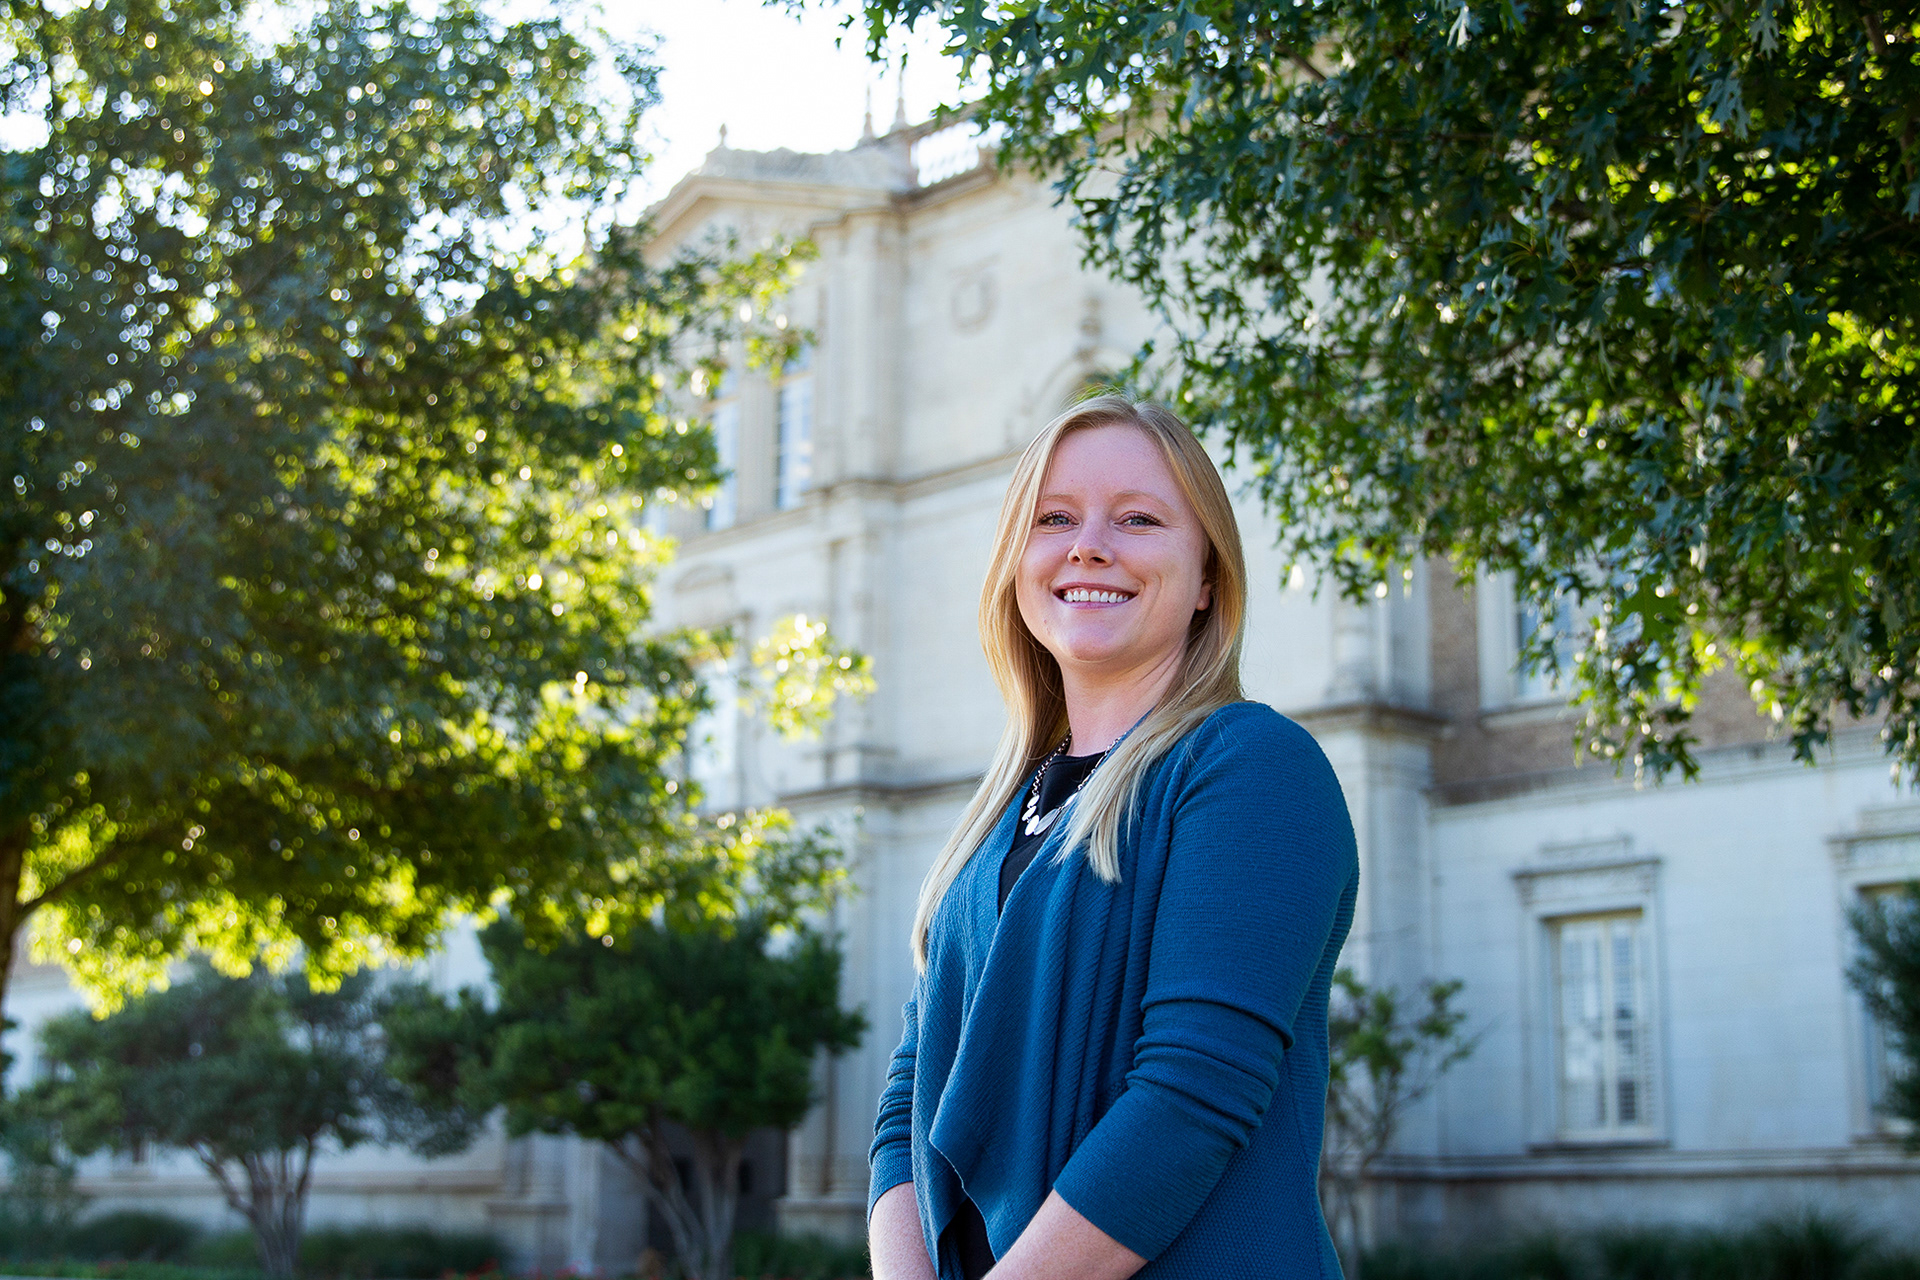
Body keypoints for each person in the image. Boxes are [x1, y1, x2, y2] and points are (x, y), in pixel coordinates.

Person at [867, 396, 1360, 1279]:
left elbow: (1192, 1099)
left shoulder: (1252, 766)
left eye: (1138, 519)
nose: (1089, 544)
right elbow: (907, 1103)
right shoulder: (998, 822)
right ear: (1017, 564)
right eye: (1054, 518)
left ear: (1208, 577)